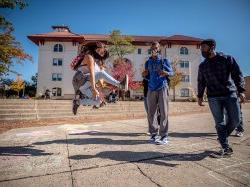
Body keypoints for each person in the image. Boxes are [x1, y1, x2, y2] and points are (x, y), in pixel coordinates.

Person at [197, 39, 246, 158]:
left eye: (203, 47)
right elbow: (201, 81)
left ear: (212, 47)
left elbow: (237, 75)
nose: (201, 50)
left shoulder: (226, 58)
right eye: (201, 48)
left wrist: (241, 91)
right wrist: (199, 96)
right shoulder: (203, 65)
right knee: (219, 123)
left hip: (230, 94)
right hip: (213, 97)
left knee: (235, 120)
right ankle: (225, 147)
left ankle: (222, 137)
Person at [71, 42, 129, 115]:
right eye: (99, 51)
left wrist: (97, 89)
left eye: (103, 52)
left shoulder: (95, 63)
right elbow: (92, 75)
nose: (101, 54)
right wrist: (94, 89)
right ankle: (120, 85)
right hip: (79, 80)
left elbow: (96, 78)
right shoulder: (89, 57)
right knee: (101, 73)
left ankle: (77, 102)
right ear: (94, 50)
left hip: (84, 86)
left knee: (98, 101)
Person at [142, 41, 174, 145]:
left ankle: (164, 136)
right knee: (151, 113)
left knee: (164, 112)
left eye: (155, 48)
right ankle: (153, 135)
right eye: (152, 48)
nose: (154, 50)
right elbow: (146, 76)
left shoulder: (164, 60)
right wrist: (144, 74)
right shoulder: (148, 62)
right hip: (151, 88)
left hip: (162, 87)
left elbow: (172, 73)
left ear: (159, 48)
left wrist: (166, 73)